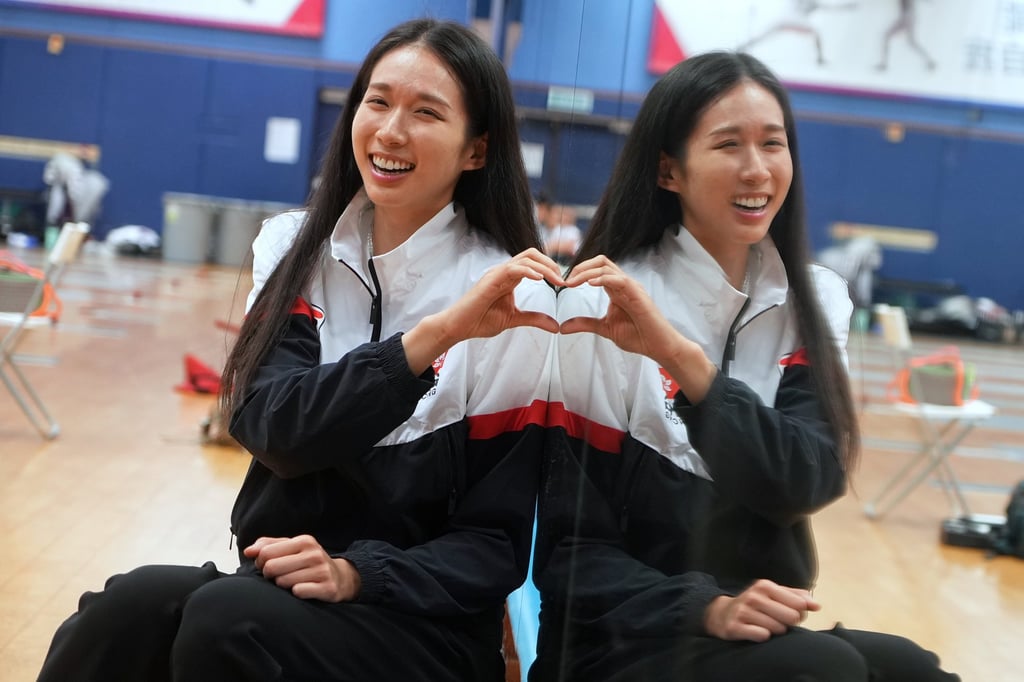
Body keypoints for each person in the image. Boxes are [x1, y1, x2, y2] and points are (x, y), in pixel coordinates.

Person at [37, 18, 563, 682]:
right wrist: (431, 338)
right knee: (124, 610)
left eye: (426, 112)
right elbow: (272, 427)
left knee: (230, 623)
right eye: (378, 101)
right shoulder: (295, 249)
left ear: (476, 151)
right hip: (282, 586)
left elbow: (493, 547)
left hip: (424, 626)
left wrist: (357, 573)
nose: (391, 130)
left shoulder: (515, 300)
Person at [532, 51, 959, 681]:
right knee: (824, 670)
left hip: (751, 632)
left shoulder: (813, 299)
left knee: (912, 670)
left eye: (773, 144)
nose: (756, 169)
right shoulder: (599, 304)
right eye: (728, 144)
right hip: (619, 641)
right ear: (669, 170)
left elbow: (807, 480)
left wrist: (687, 366)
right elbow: (570, 556)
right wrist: (706, 607)